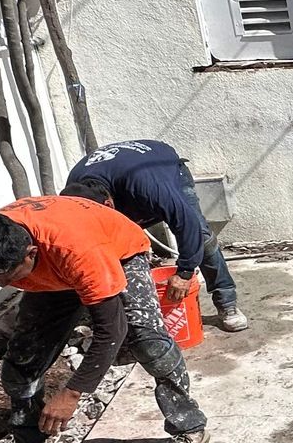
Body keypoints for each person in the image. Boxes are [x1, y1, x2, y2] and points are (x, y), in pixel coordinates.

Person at [0, 195, 209, 443]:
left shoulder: (76, 247)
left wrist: (71, 394)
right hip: (54, 269)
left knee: (147, 341)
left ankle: (190, 428)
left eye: (8, 276)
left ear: (30, 253)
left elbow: (111, 329)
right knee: (25, 354)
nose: (1, 285)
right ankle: (26, 436)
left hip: (118, 252)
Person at [61, 139, 248, 332]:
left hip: (166, 169)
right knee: (116, 245)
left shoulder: (148, 187)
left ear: (108, 204)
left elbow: (187, 224)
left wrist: (185, 273)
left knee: (200, 235)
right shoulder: (73, 192)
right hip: (121, 176)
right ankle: (132, 310)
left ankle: (226, 302)